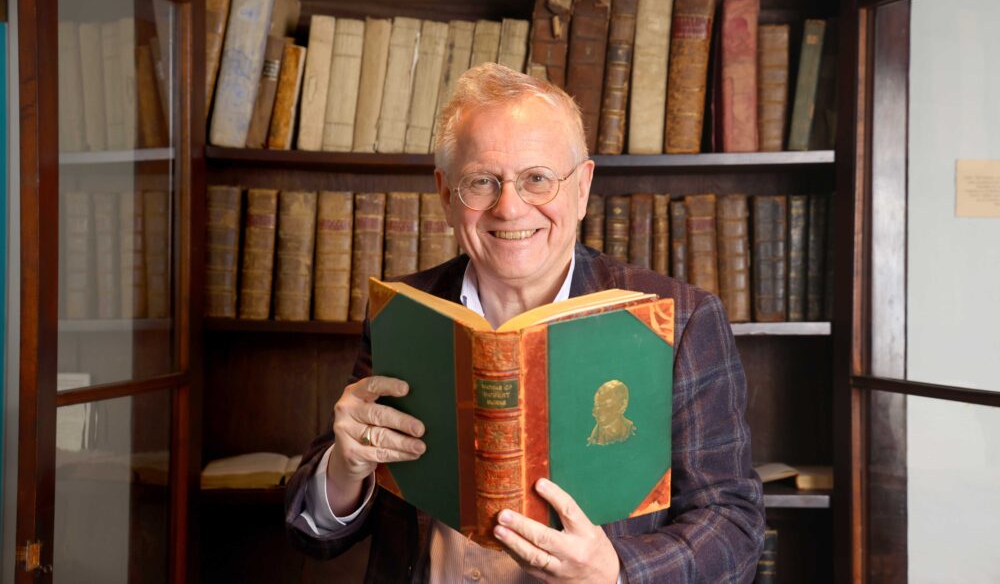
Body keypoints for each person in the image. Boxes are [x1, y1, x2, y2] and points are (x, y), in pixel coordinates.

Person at [285, 63, 765, 583]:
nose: (509, 208)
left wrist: (617, 574)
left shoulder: (682, 321)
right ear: (447, 195)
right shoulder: (406, 312)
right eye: (481, 182)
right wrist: (344, 468)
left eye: (537, 179)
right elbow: (310, 534)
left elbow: (734, 526)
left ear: (581, 188)